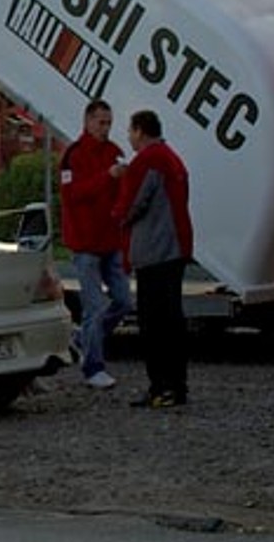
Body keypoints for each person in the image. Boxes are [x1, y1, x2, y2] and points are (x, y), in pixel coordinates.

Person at [115, 109, 194, 409]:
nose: (128, 137)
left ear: (139, 130)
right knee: (172, 321)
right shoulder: (172, 158)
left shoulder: (147, 161)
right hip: (176, 247)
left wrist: (116, 214)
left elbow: (131, 204)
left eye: (130, 131)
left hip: (155, 251)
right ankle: (177, 385)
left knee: (154, 324)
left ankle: (161, 386)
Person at [59, 99, 133, 390]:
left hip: (110, 240)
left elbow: (122, 192)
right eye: (101, 122)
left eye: (109, 123)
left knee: (123, 301)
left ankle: (84, 339)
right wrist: (107, 178)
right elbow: (71, 194)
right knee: (94, 306)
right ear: (88, 121)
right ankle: (93, 367)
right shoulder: (73, 155)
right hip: (85, 243)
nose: (105, 128)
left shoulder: (114, 152)